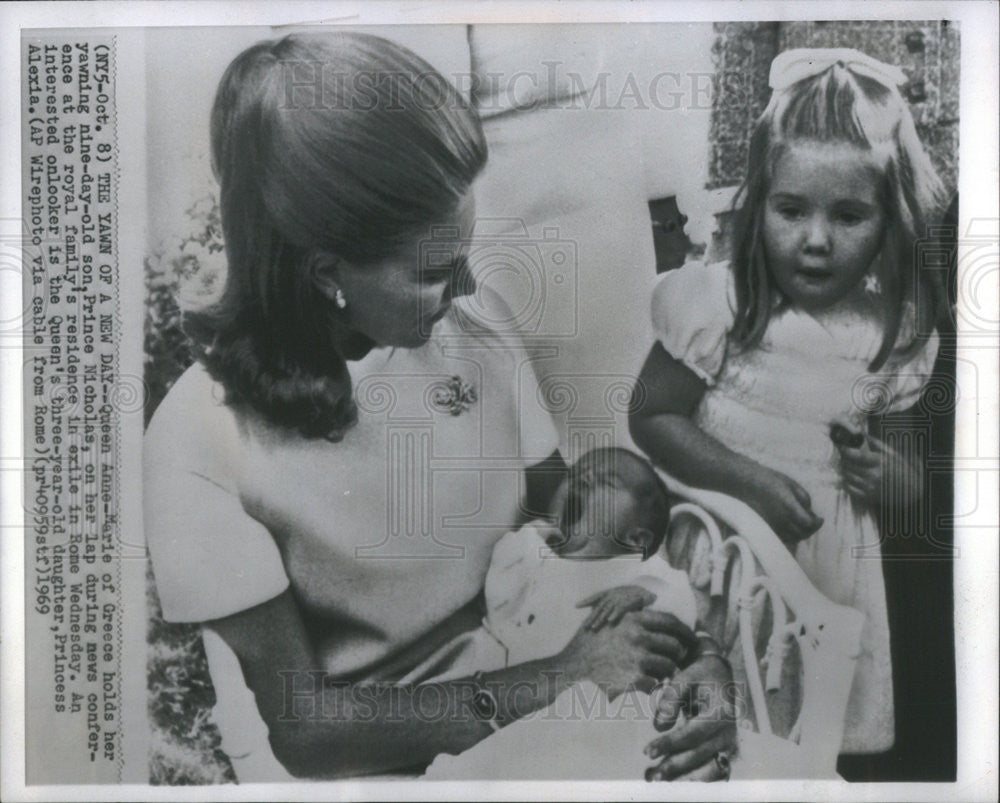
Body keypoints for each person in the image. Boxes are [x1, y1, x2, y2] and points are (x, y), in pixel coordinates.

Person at [145, 31, 736, 782]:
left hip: (538, 684)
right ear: (328, 272)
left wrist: (698, 656)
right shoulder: (195, 443)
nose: (464, 289)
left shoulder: (473, 325)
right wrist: (560, 679)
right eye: (434, 271)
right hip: (368, 766)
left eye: (464, 253)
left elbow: (584, 541)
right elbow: (305, 728)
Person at [629, 48, 945, 758]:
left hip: (827, 572)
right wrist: (750, 481)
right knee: (706, 718)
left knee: (803, 738)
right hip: (723, 543)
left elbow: (911, 478)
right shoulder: (723, 304)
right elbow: (650, 416)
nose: (815, 240)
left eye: (850, 216)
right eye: (791, 209)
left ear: (889, 222)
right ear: (759, 201)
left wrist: (888, 476)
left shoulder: (892, 330)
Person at [401, 447, 698, 684]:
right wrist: (534, 537)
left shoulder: (635, 573)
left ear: (636, 538)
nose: (584, 478)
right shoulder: (535, 552)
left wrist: (643, 594)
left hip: (597, 697)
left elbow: (682, 611)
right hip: (516, 682)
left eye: (606, 482)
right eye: (577, 473)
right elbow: (499, 599)